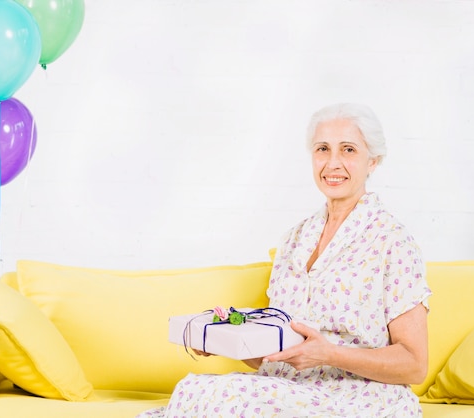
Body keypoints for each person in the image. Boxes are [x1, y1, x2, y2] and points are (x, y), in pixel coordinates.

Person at [137, 102, 431, 417]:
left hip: (358, 399)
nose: (333, 163)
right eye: (322, 149)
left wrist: (329, 354)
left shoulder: (392, 241)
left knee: (227, 396)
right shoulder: (294, 240)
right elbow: (279, 355)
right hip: (286, 391)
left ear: (372, 161)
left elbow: (414, 365)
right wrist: (223, 340)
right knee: (196, 388)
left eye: (348, 150)